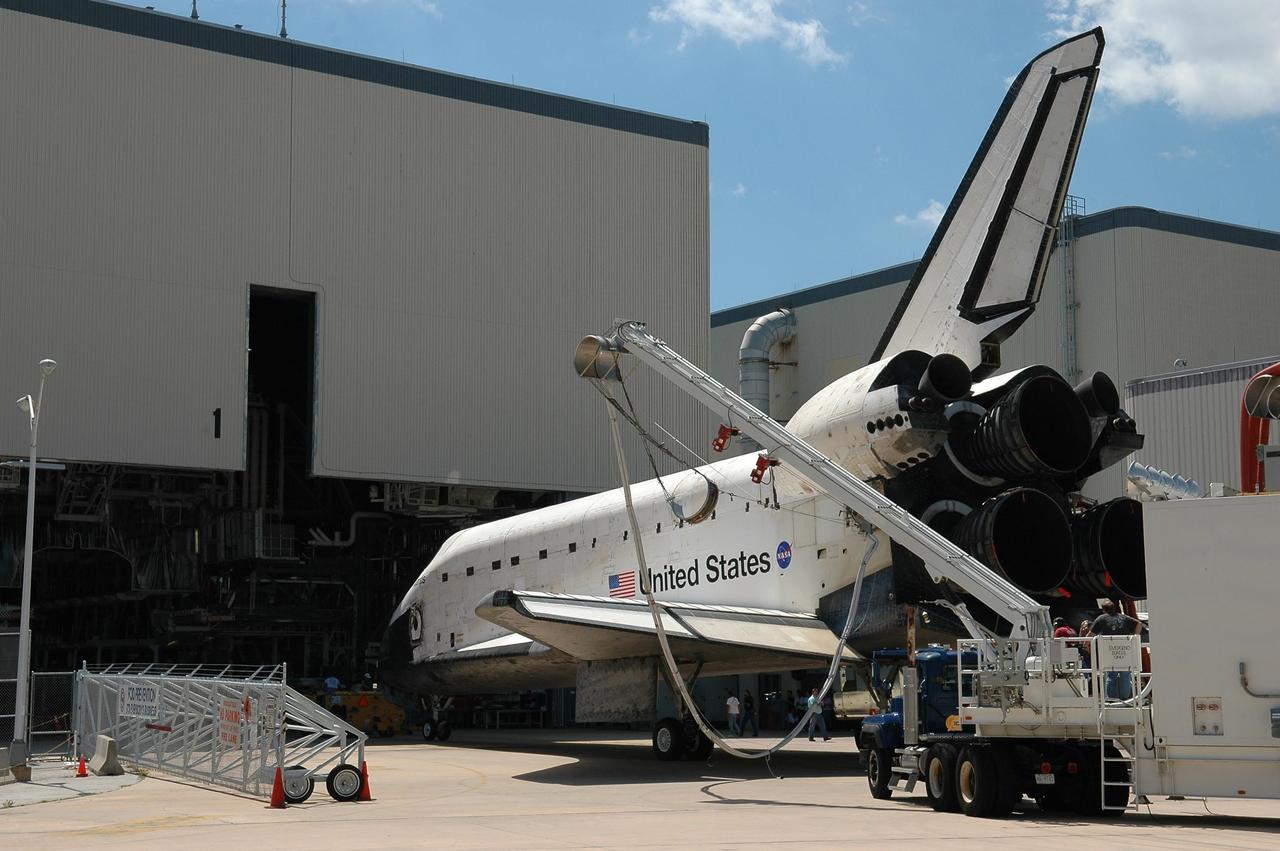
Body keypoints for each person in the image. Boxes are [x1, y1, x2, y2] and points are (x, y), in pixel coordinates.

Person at [1089, 600, 1142, 699]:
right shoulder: (1124, 618)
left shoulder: (1101, 619)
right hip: (1125, 650)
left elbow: (1090, 634)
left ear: (1103, 609)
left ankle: (1112, 699)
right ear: (1114, 608)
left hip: (1109, 651)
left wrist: (1085, 643)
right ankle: (1124, 698)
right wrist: (1135, 637)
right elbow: (1139, 624)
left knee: (1111, 675)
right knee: (1125, 674)